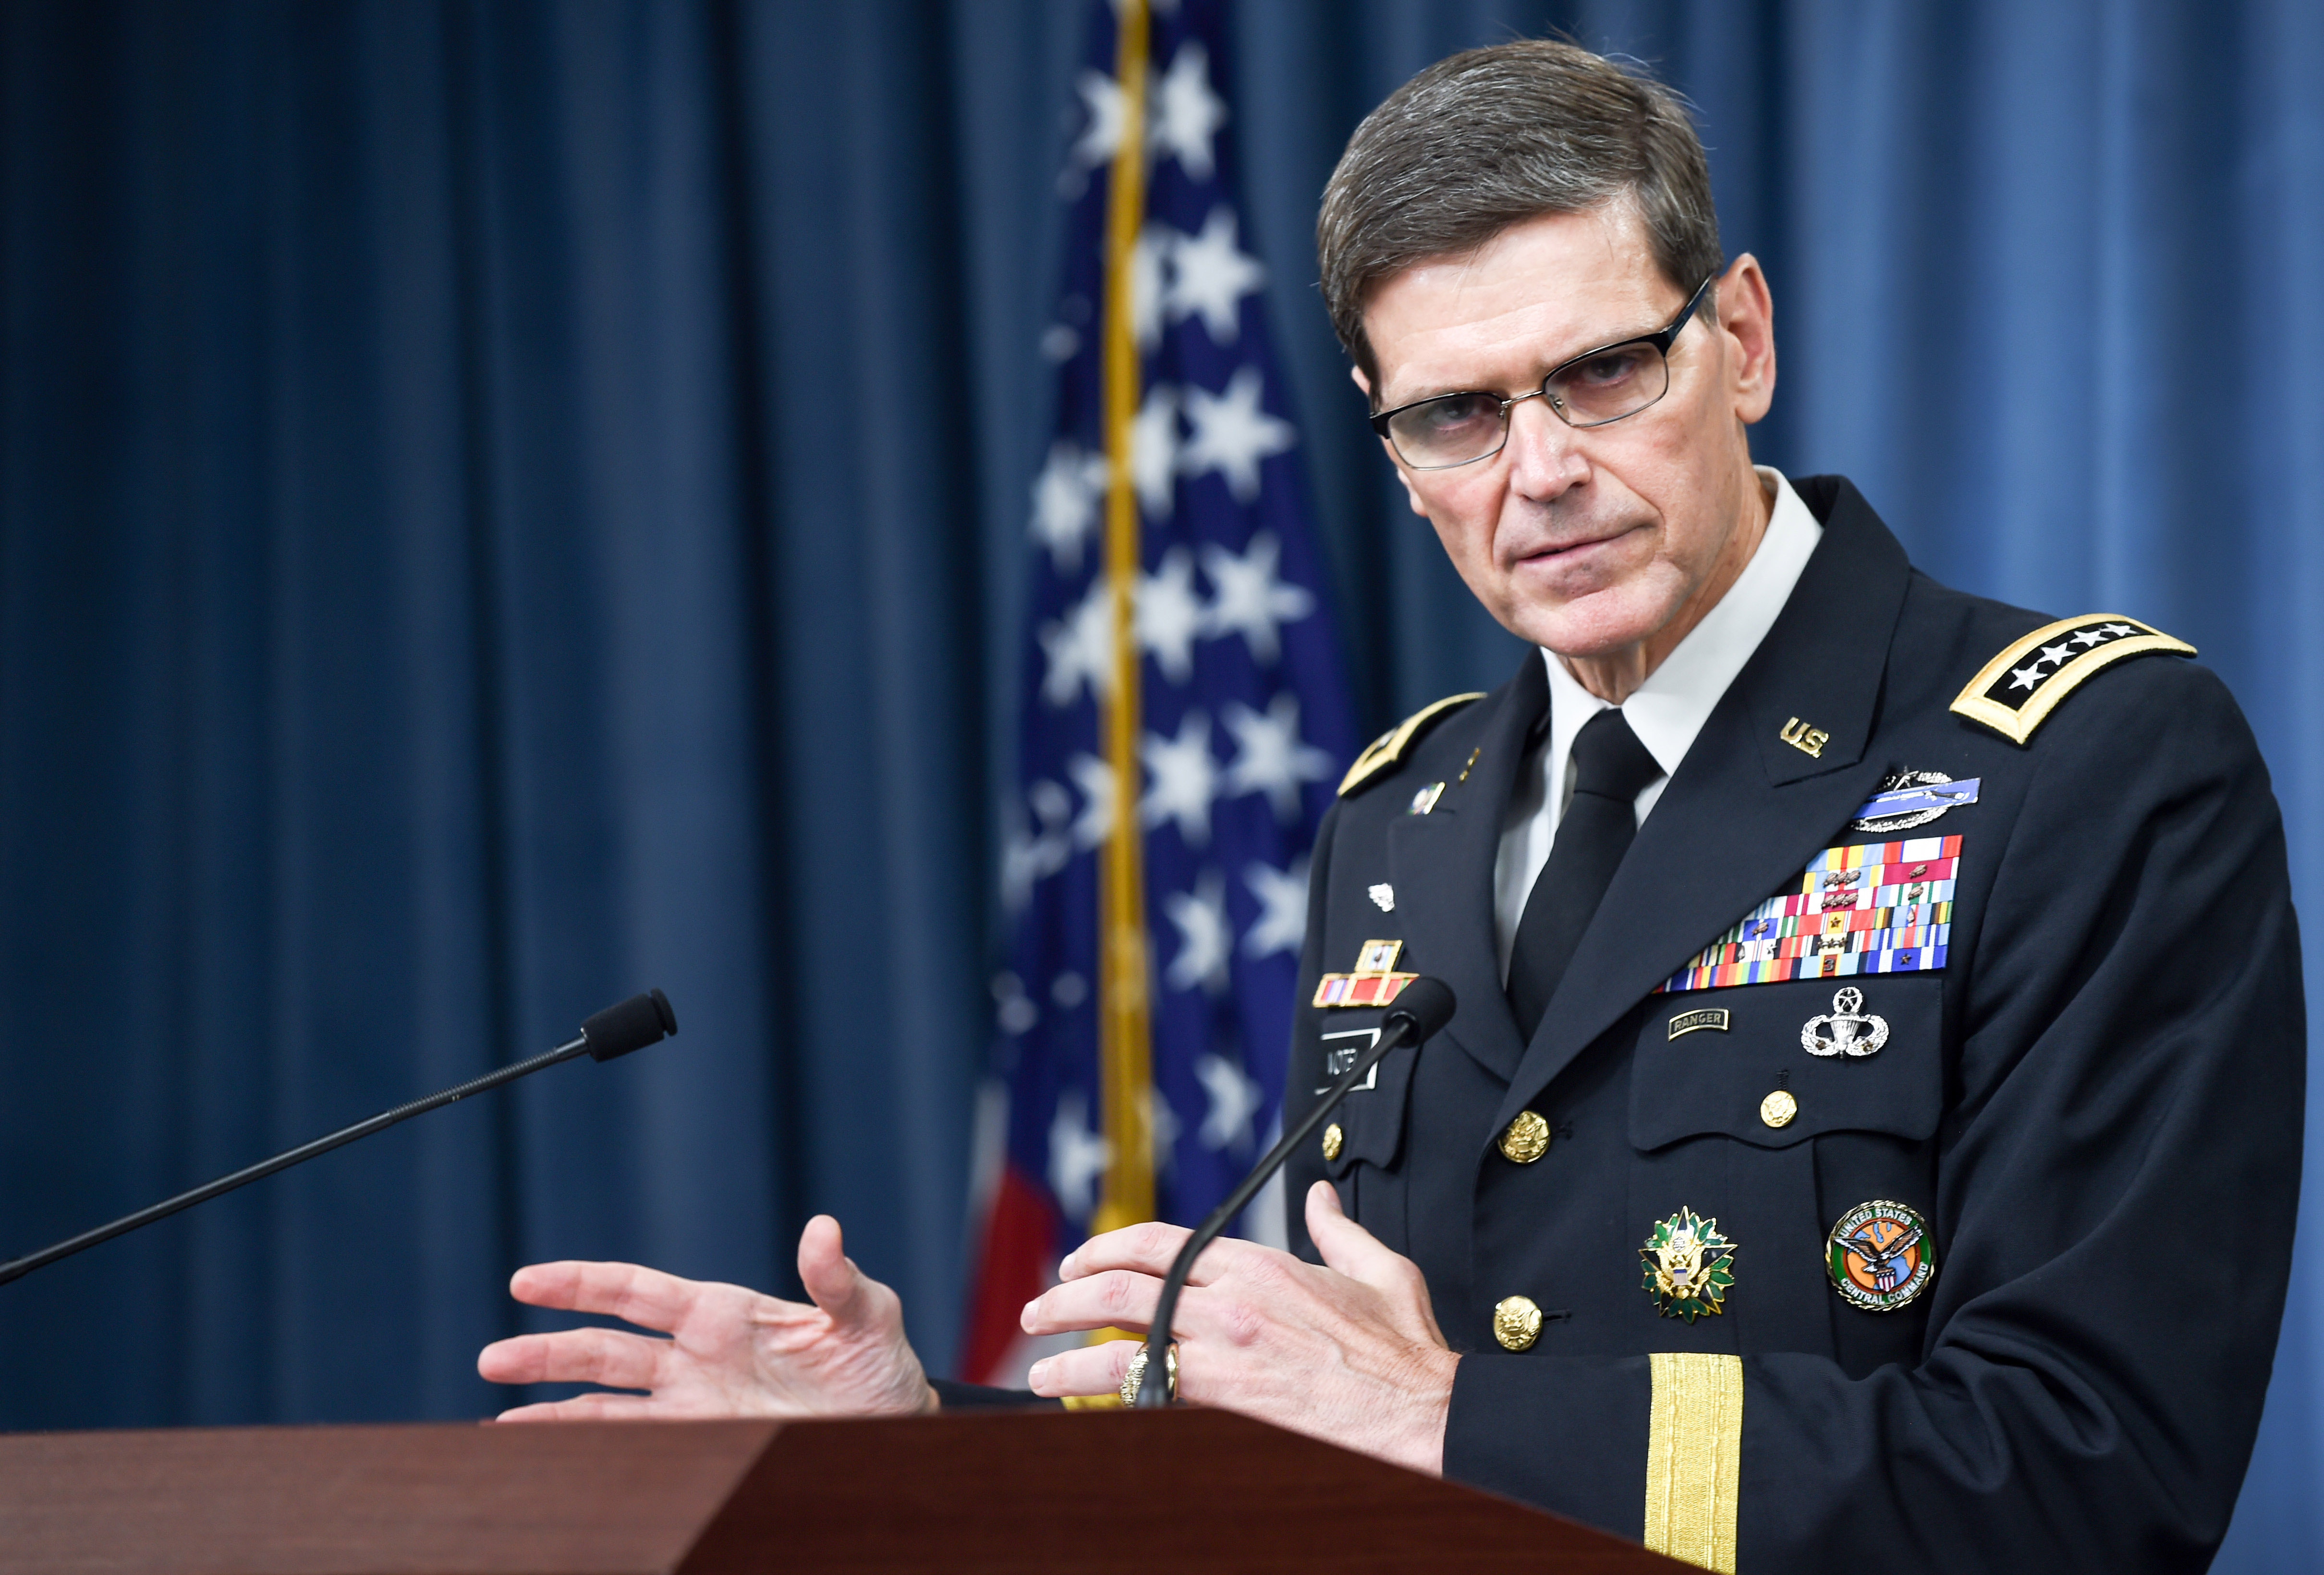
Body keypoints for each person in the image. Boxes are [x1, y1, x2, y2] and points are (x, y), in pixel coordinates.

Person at [477, 40, 2300, 1572]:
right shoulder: (1401, 821)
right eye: (1455, 416)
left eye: (1604, 370)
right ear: (1385, 438)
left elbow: (2086, 1476)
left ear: (1738, 337)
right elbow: (1314, 1460)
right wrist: (921, 1441)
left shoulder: (2080, 766)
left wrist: (1451, 1414)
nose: (1542, 475)